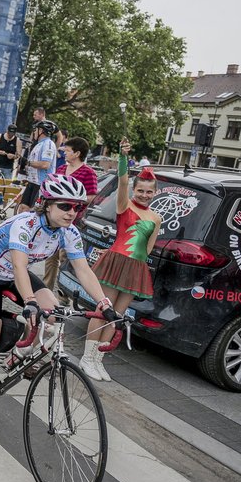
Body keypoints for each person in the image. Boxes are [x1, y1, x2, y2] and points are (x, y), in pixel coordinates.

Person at [0, 175, 118, 412]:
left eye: (78, 207)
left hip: (14, 276)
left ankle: (18, 355)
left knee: (54, 315)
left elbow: (83, 270)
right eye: (65, 206)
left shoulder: (68, 232)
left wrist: (104, 303)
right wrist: (29, 302)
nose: (72, 212)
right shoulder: (25, 224)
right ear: (46, 204)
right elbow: (19, 266)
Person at [82, 139, 161, 382]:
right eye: (141, 190)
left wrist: (140, 269)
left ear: (155, 192)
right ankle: (86, 358)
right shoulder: (124, 206)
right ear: (134, 190)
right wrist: (123, 156)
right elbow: (123, 179)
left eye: (149, 191)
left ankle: (99, 358)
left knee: (117, 315)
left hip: (135, 268)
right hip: (116, 262)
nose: (145, 195)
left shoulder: (156, 218)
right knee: (102, 311)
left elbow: (147, 248)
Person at [42, 137, 99, 291]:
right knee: (50, 257)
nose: (64, 153)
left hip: (72, 223)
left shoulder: (89, 173)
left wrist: (72, 200)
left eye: (67, 151)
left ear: (77, 153)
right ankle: (46, 289)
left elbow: (92, 197)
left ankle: (64, 292)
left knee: (65, 258)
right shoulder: (61, 170)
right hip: (54, 221)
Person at [17, 119, 58, 213]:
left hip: (41, 183)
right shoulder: (39, 144)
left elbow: (45, 164)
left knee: (33, 212)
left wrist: (28, 163)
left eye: (36, 130)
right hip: (32, 181)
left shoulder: (49, 144)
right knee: (22, 208)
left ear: (41, 131)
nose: (34, 132)